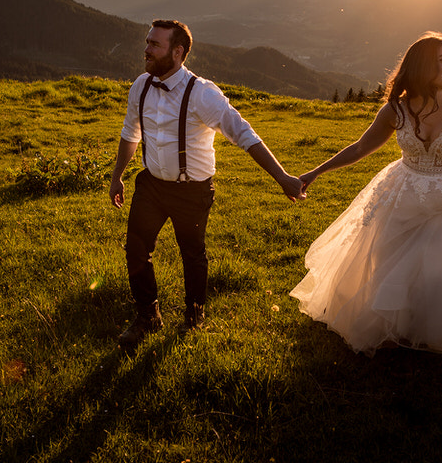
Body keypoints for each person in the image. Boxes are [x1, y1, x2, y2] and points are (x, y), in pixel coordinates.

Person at [290, 32, 442, 356]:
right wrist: (314, 173)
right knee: (389, 262)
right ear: (423, 66)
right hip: (402, 190)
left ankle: (430, 332)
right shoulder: (397, 109)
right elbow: (361, 148)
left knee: (439, 270)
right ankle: (393, 326)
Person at [110, 19, 305, 349]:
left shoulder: (201, 93)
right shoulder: (140, 85)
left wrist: (282, 176)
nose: (146, 49)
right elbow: (131, 133)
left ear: (177, 52)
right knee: (136, 249)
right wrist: (117, 176)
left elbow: (243, 133)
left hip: (192, 191)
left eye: (154, 45)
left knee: (192, 254)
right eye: (147, 42)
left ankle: (194, 316)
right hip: (151, 186)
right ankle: (148, 317)